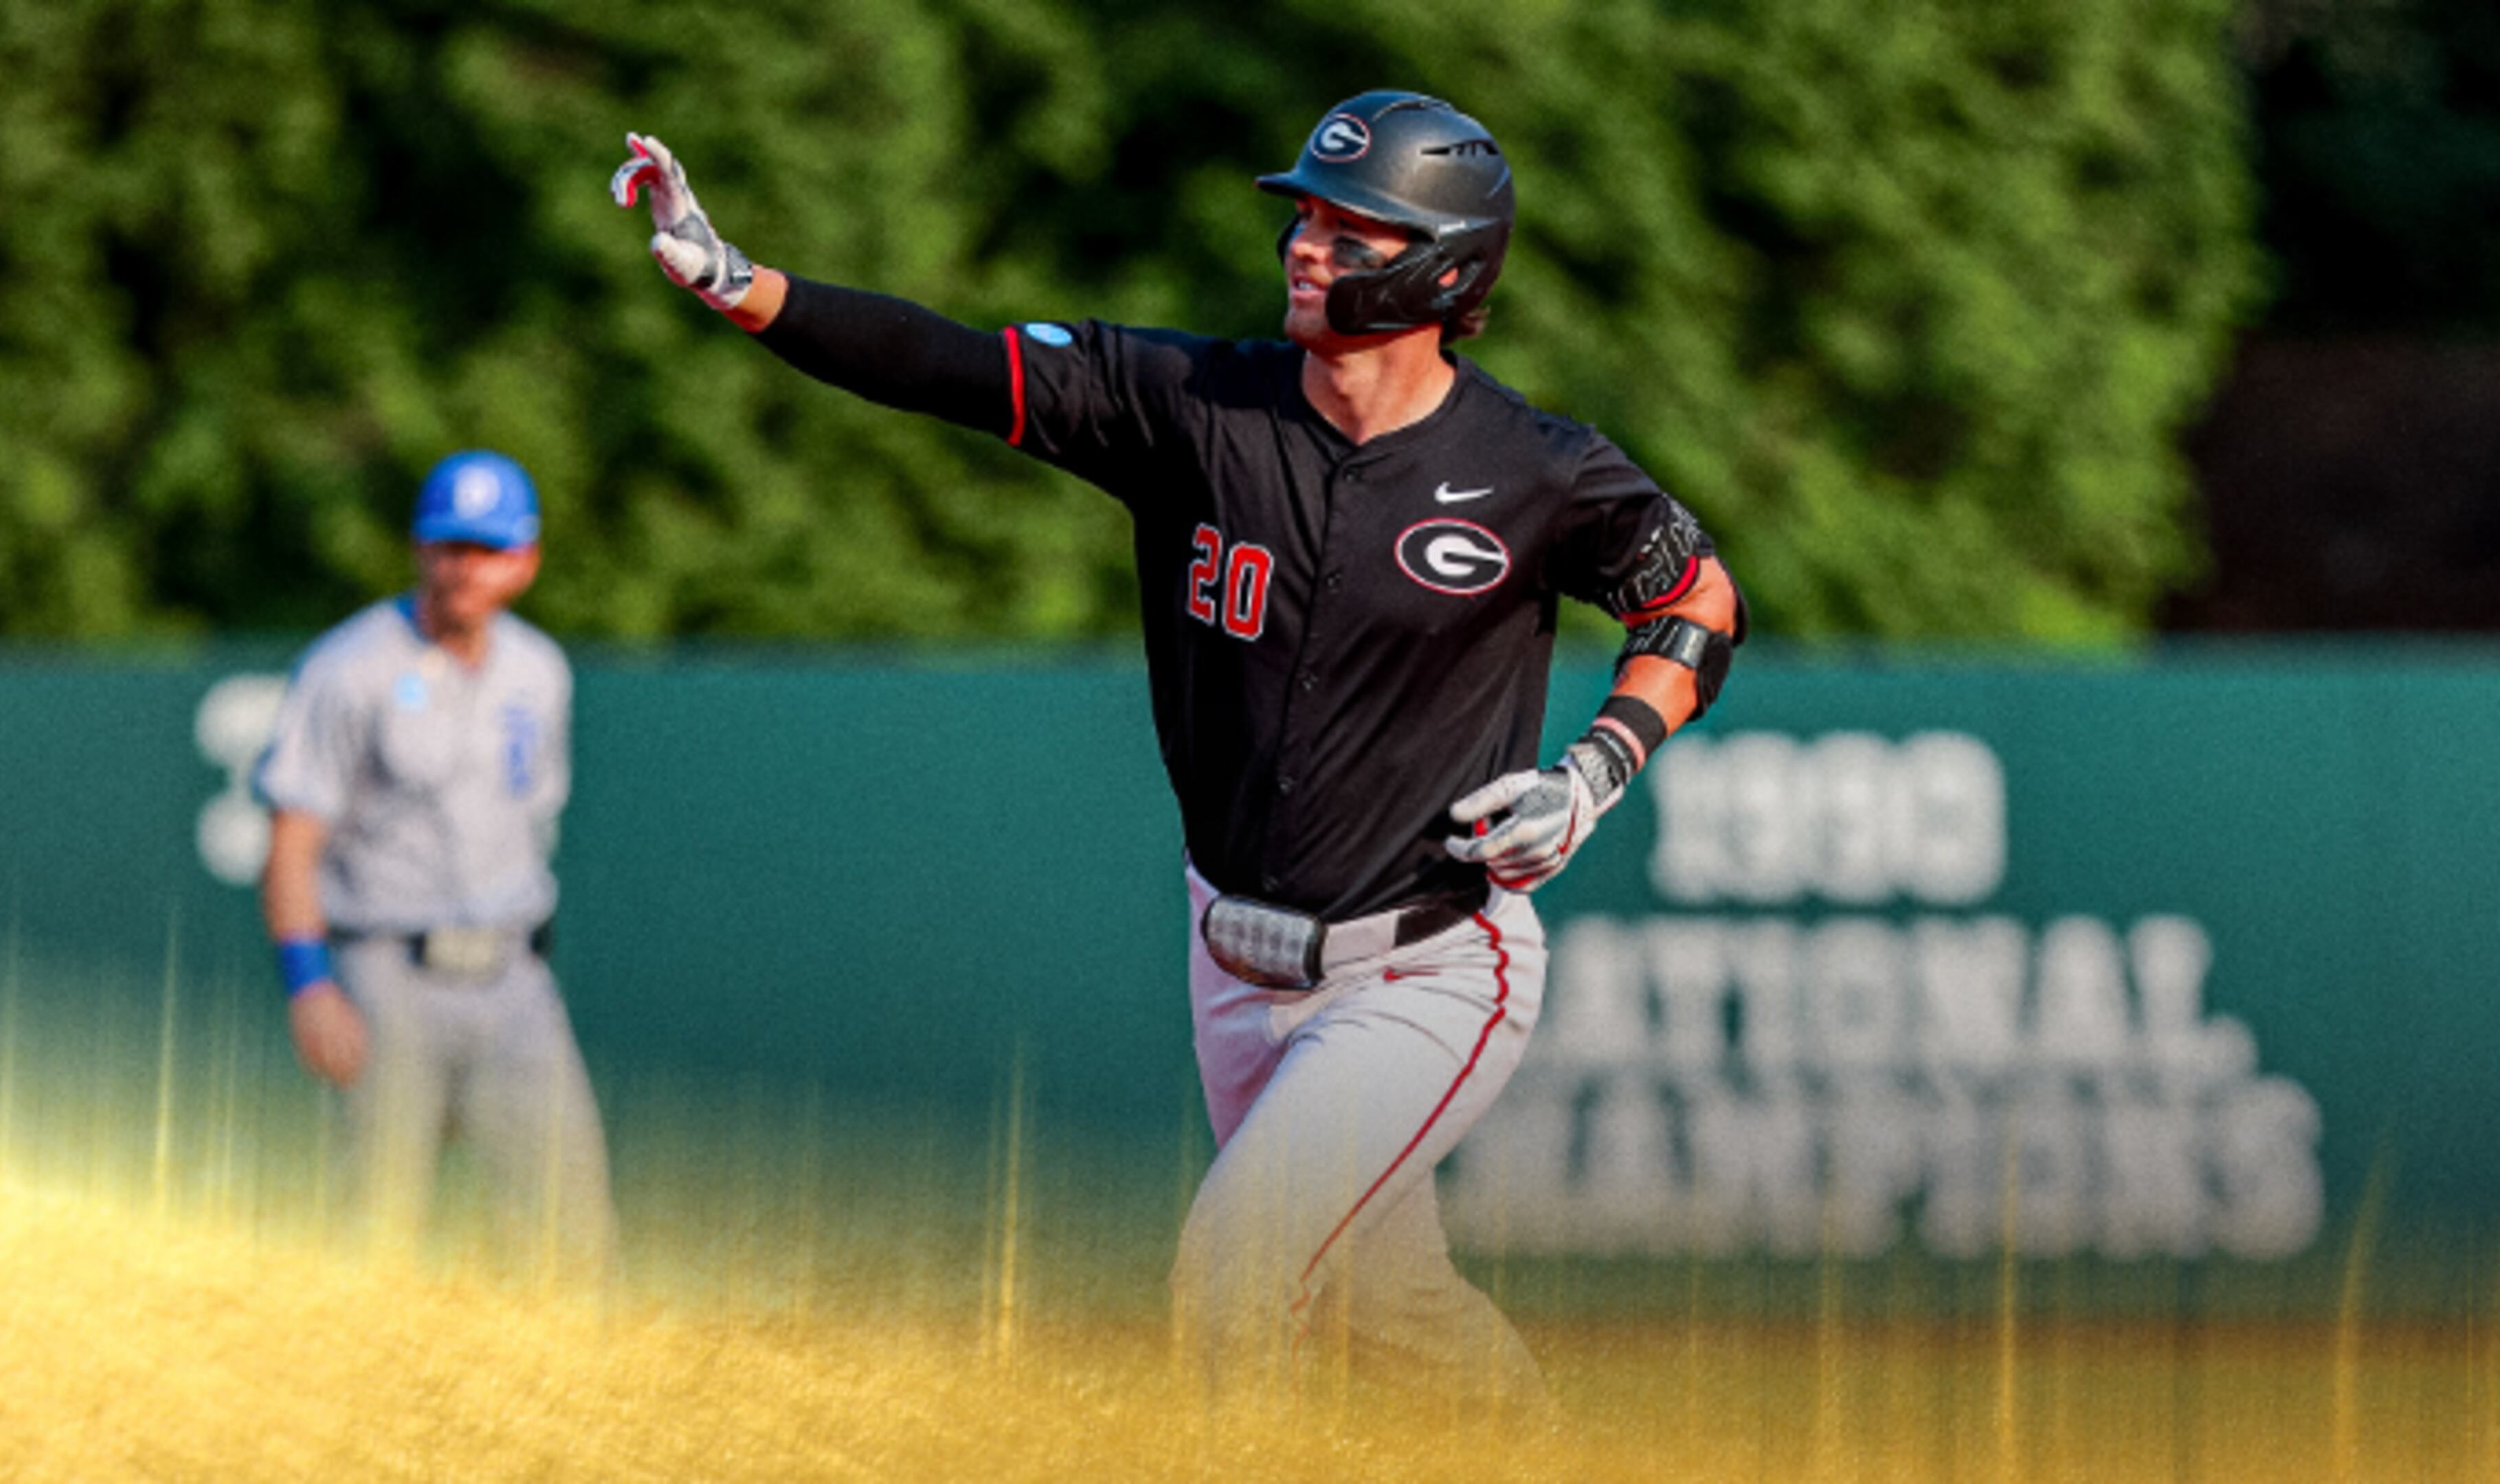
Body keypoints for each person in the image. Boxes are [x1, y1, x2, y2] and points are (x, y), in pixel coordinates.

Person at [612, 90, 1743, 1406]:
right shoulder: (1197, 405)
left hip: (1431, 962)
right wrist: (740, 283)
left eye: (1351, 227)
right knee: (1393, 1311)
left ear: (1445, 266)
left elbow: (1697, 595)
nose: (1306, 248)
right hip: (1234, 958)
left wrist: (1596, 769)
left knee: (1235, 1276)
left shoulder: (1534, 468)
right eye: (1305, 219)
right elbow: (954, 365)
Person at [254, 451, 613, 1284]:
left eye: (486, 550)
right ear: (419, 549)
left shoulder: (540, 672)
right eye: (448, 545)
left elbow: (534, 820)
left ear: (525, 562)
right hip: (389, 977)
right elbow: (292, 842)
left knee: (576, 1242)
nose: (464, 568)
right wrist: (310, 984)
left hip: (513, 977)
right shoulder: (350, 667)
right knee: (374, 1242)